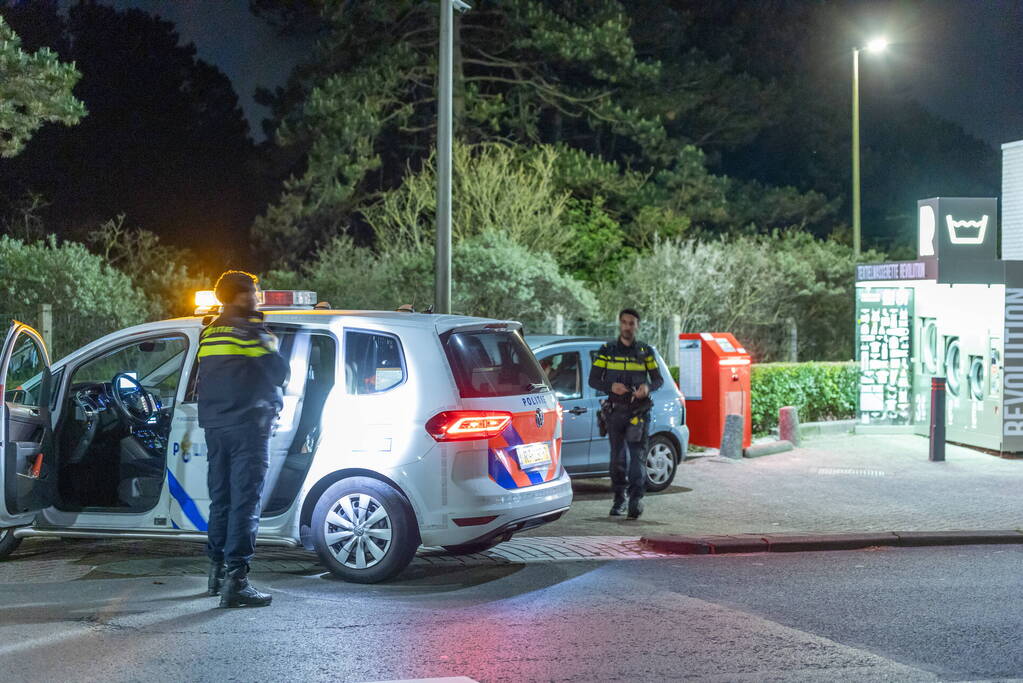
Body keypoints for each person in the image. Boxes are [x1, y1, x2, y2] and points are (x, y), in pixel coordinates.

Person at [198, 271, 289, 608]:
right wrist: (270, 341)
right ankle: (237, 580)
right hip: (247, 427)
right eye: (254, 291)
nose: (257, 296)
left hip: (215, 427)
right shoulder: (251, 331)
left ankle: (216, 574)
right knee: (245, 503)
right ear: (241, 296)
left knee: (220, 500)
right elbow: (279, 372)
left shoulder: (209, 332)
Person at [588, 308, 663, 519]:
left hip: (638, 413)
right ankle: (619, 499)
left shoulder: (645, 351)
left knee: (637, 459)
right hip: (615, 413)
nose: (628, 326)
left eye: (632, 323)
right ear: (620, 324)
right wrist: (611, 387)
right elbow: (593, 380)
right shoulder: (607, 350)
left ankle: (636, 501)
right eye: (624, 322)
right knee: (617, 460)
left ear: (637, 326)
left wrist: (647, 388)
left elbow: (658, 379)